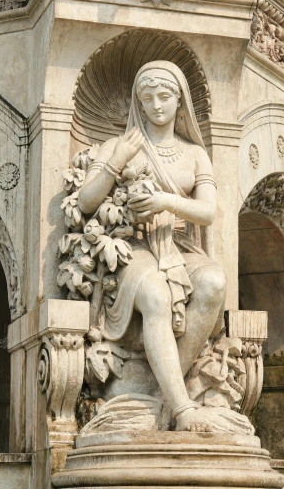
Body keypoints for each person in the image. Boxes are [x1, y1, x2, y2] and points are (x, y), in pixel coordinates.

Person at [78, 61, 230, 432]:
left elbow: (208, 211)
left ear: (180, 101)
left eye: (164, 97)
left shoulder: (194, 153)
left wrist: (166, 201)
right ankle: (182, 407)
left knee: (213, 283)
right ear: (138, 103)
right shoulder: (122, 144)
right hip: (132, 245)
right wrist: (114, 164)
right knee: (156, 295)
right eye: (147, 98)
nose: (156, 105)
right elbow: (85, 202)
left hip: (177, 244)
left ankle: (163, 394)